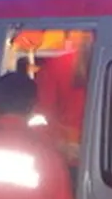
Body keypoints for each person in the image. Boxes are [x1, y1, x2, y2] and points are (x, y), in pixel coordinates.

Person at [32, 31, 92, 167]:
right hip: (66, 160)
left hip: (98, 155)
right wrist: (61, 145)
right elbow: (39, 118)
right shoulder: (56, 67)